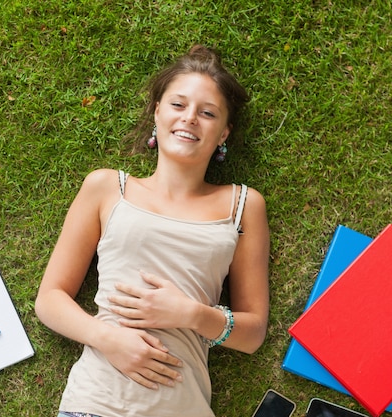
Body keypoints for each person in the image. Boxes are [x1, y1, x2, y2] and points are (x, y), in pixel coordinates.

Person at [35, 45, 270, 417]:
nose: (190, 118)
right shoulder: (106, 187)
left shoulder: (243, 206)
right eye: (178, 105)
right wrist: (107, 338)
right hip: (96, 404)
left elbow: (253, 333)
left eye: (207, 113)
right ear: (157, 111)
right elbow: (50, 298)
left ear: (223, 133)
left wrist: (191, 314)